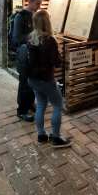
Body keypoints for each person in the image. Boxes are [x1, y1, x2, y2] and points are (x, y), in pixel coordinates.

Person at [27, 10, 71, 148]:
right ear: (47, 22)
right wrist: (59, 56)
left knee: (40, 105)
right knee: (58, 104)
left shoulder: (30, 38)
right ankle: (56, 138)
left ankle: (41, 135)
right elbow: (56, 62)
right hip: (46, 79)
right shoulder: (50, 40)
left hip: (33, 79)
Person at [11, 0, 43, 121]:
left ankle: (30, 103)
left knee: (32, 82)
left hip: (33, 56)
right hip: (24, 55)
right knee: (24, 83)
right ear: (30, 1)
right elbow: (17, 38)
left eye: (40, 3)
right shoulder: (20, 16)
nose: (39, 6)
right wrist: (34, 37)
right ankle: (21, 110)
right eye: (37, 3)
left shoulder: (35, 15)